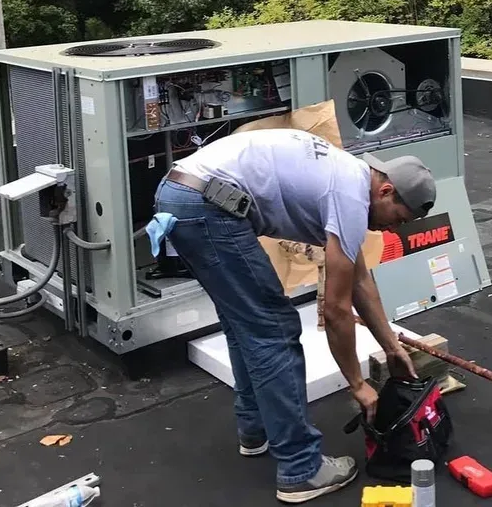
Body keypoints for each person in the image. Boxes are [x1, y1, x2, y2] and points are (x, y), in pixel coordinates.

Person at [147, 128, 436, 503]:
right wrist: (357, 384)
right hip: (204, 204)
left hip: (184, 194)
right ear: (385, 191)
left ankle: (256, 429)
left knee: (245, 321)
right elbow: (335, 310)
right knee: (274, 328)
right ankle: (301, 469)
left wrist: (391, 346)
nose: (392, 228)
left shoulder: (347, 179)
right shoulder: (349, 195)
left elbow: (360, 279)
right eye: (398, 217)